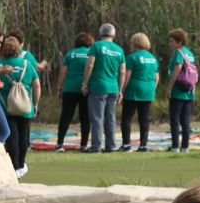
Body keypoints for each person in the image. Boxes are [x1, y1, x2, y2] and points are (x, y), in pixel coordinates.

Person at [0, 37, 38, 173]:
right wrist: (35, 104)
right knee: (23, 136)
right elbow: (36, 85)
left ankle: (13, 165)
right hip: (25, 106)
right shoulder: (26, 64)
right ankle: (21, 164)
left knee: (11, 136)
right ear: (18, 49)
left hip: (5, 106)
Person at [83, 23, 124, 153]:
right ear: (114, 35)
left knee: (97, 118)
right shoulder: (119, 50)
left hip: (98, 86)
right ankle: (111, 145)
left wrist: (85, 83)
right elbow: (122, 71)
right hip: (113, 87)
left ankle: (96, 146)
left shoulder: (96, 46)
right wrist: (121, 89)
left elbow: (90, 65)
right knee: (111, 118)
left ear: (100, 33)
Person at [118, 33, 159, 153]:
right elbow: (157, 77)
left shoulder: (132, 58)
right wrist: (152, 88)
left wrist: (122, 91)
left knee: (127, 117)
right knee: (144, 119)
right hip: (148, 90)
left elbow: (127, 76)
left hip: (134, 90)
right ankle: (143, 145)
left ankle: (126, 144)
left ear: (134, 43)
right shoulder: (152, 58)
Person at [55, 32, 93, 149]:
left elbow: (63, 71)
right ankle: (84, 145)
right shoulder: (91, 54)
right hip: (86, 89)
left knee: (66, 116)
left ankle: (60, 143)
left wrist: (59, 87)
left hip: (70, 88)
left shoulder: (71, 54)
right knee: (85, 118)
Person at [164, 29, 197, 153]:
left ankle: (175, 146)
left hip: (178, 91)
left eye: (172, 41)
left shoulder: (179, 53)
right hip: (188, 91)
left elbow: (177, 70)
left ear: (180, 42)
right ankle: (185, 146)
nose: (170, 44)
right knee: (186, 120)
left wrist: (170, 87)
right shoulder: (190, 53)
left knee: (175, 119)